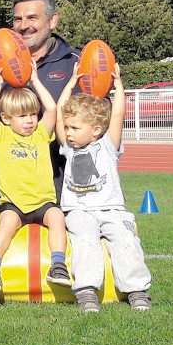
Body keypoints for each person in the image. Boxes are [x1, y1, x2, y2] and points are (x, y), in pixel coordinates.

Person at [56, 63, 152, 312]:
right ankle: (86, 291)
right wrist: (70, 84)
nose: (68, 133)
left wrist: (118, 87)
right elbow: (59, 112)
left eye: (75, 128)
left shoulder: (108, 146)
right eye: (67, 128)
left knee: (125, 238)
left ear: (97, 130)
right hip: (79, 211)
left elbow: (118, 115)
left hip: (111, 210)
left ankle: (137, 290)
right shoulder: (68, 148)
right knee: (85, 240)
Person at [0, 0, 80, 209]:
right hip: (6, 193)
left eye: (32, 17)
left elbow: (96, 122)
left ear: (53, 21)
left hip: (61, 191)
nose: (24, 25)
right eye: (18, 19)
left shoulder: (75, 64)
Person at [0, 60, 72, 294]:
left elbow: (52, 109)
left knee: (57, 218)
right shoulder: (1, 136)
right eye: (22, 116)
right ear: (6, 118)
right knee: (7, 225)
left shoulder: (42, 134)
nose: (30, 120)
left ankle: (58, 264)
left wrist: (35, 80)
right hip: (14, 204)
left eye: (33, 114)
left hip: (43, 201)